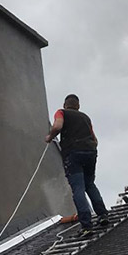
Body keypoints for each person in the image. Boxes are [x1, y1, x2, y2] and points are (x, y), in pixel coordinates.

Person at [45, 94, 108, 237]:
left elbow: (58, 125)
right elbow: (95, 139)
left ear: (65, 104)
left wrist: (50, 137)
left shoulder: (61, 112)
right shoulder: (86, 118)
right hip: (90, 152)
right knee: (90, 184)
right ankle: (103, 215)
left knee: (78, 187)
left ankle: (86, 225)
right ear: (78, 106)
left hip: (73, 154)